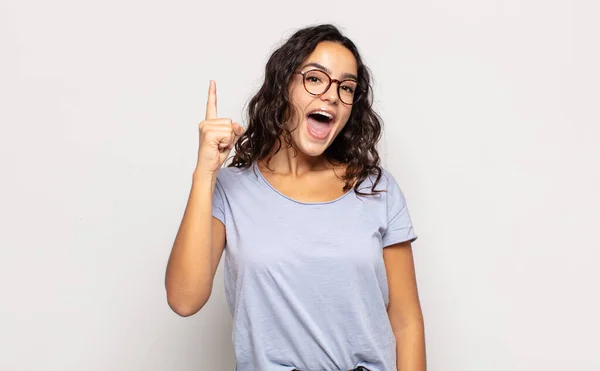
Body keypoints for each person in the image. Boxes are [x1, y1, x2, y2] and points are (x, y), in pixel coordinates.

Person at [165, 24, 426, 371]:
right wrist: (205, 172)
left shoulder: (377, 188)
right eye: (315, 79)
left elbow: (406, 323)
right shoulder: (230, 189)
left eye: (346, 87)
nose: (332, 95)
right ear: (283, 86)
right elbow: (184, 299)